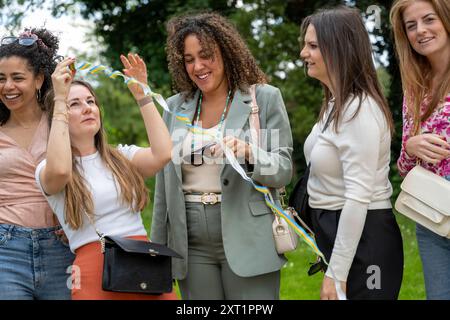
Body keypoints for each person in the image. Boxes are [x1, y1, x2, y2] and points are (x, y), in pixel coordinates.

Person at [151, 12, 293, 300]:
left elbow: (283, 169)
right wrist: (158, 247)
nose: (198, 66)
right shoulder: (174, 107)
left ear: (226, 53)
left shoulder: (262, 99)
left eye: (206, 55)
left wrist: (249, 152)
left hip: (249, 235)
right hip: (190, 243)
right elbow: (163, 184)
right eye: (189, 59)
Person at [34, 54, 176, 300]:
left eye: (90, 101)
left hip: (145, 265)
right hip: (93, 272)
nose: (88, 107)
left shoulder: (122, 157)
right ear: (60, 115)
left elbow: (163, 153)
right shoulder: (49, 169)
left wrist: (142, 95)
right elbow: (60, 172)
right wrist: (58, 99)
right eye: (74, 104)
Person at [299, 6, 404, 300]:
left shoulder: (360, 110)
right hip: (341, 234)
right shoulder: (336, 104)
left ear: (339, 49)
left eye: (313, 46)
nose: (303, 54)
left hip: (367, 238)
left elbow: (358, 196)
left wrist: (337, 273)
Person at [0, 28, 74, 300]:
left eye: (17, 78)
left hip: (61, 246)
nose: (8, 87)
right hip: (5, 249)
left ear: (39, 79)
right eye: (1, 79)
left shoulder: (61, 122)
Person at [391, 0, 450, 300]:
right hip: (431, 211)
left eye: (429, 20)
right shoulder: (415, 85)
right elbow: (403, 168)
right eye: (411, 26)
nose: (420, 31)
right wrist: (411, 146)